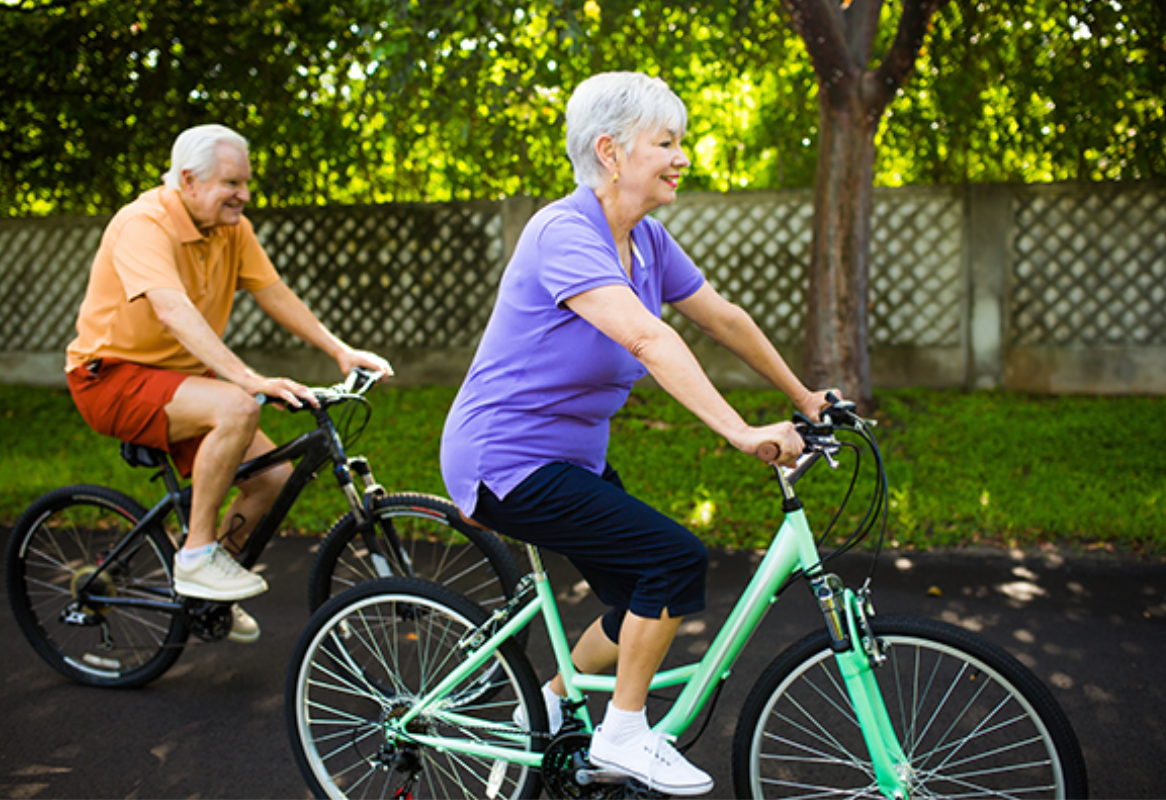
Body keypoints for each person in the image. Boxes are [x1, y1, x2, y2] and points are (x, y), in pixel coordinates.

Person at [440, 72, 836, 796]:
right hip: (505, 458)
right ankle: (623, 732)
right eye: (666, 142)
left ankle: (557, 700)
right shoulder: (562, 231)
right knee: (675, 560)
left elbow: (725, 319)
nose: (681, 156)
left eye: (679, 141)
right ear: (611, 152)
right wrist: (741, 431)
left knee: (635, 599)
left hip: (570, 460)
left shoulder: (647, 239)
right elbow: (650, 340)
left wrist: (804, 397)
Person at [65, 124, 392, 644]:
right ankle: (196, 556)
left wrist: (339, 350)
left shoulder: (230, 229)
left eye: (246, 182)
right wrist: (243, 378)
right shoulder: (144, 223)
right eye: (231, 183)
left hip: (177, 380)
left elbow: (274, 292)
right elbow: (170, 309)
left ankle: (204, 590)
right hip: (109, 378)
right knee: (238, 406)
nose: (243, 194)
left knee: (274, 478)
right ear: (189, 181)